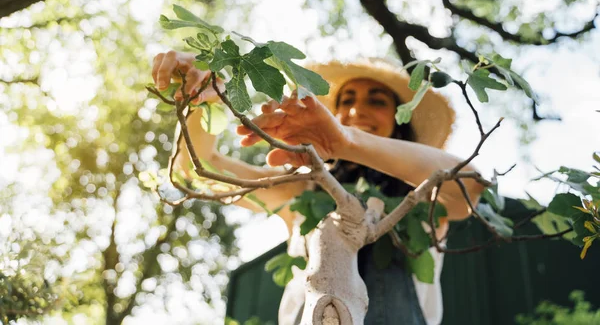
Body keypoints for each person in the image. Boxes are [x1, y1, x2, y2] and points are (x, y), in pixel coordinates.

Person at [151, 51, 484, 324]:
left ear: (401, 120)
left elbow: (469, 184)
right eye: (347, 100)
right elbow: (199, 171)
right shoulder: (303, 190)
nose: (356, 110)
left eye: (376, 101)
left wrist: (347, 141)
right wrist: (203, 102)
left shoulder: (422, 197)